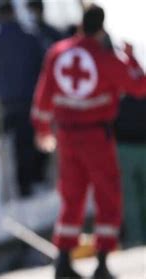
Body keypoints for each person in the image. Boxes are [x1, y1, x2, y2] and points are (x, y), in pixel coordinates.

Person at [30, 4, 146, 278]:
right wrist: (130, 58)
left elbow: (42, 99)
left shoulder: (57, 53)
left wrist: (42, 130)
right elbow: (139, 87)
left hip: (67, 137)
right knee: (107, 196)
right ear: (102, 27)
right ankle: (102, 262)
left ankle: (63, 260)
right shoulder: (106, 58)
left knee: (71, 198)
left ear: (81, 24)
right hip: (96, 137)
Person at [0, 1, 46, 198]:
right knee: (25, 148)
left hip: (0, 105)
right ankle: (25, 189)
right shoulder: (30, 35)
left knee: (1, 148)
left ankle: (3, 192)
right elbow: (41, 67)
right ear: (14, 12)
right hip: (26, 101)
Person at [114, 44, 146, 249]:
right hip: (131, 146)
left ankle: (136, 239)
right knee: (134, 197)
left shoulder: (115, 87)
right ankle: (136, 239)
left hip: (127, 147)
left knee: (132, 197)